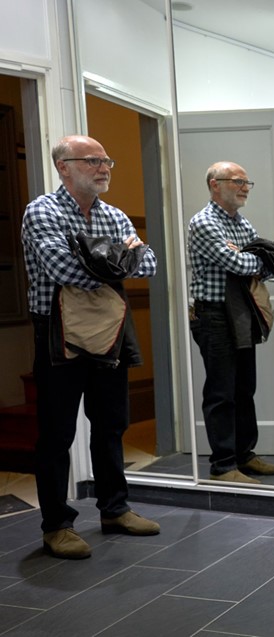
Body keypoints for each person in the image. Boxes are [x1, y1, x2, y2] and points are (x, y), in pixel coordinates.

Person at [21, 135, 161, 559]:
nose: (104, 168)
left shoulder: (113, 214)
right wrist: (118, 259)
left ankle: (114, 509)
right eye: (92, 161)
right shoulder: (42, 211)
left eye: (106, 161)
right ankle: (56, 526)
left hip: (109, 328)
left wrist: (99, 258)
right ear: (63, 167)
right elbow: (65, 270)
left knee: (111, 424)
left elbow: (148, 264)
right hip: (57, 331)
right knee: (57, 432)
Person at [188, 161, 274, 484]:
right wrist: (250, 258)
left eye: (247, 182)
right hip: (213, 315)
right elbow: (237, 263)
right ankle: (223, 466)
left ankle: (244, 456)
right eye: (237, 181)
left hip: (240, 311)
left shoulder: (242, 224)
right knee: (221, 392)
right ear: (215, 185)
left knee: (245, 388)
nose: (245, 188)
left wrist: (249, 258)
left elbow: (270, 264)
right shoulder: (203, 222)